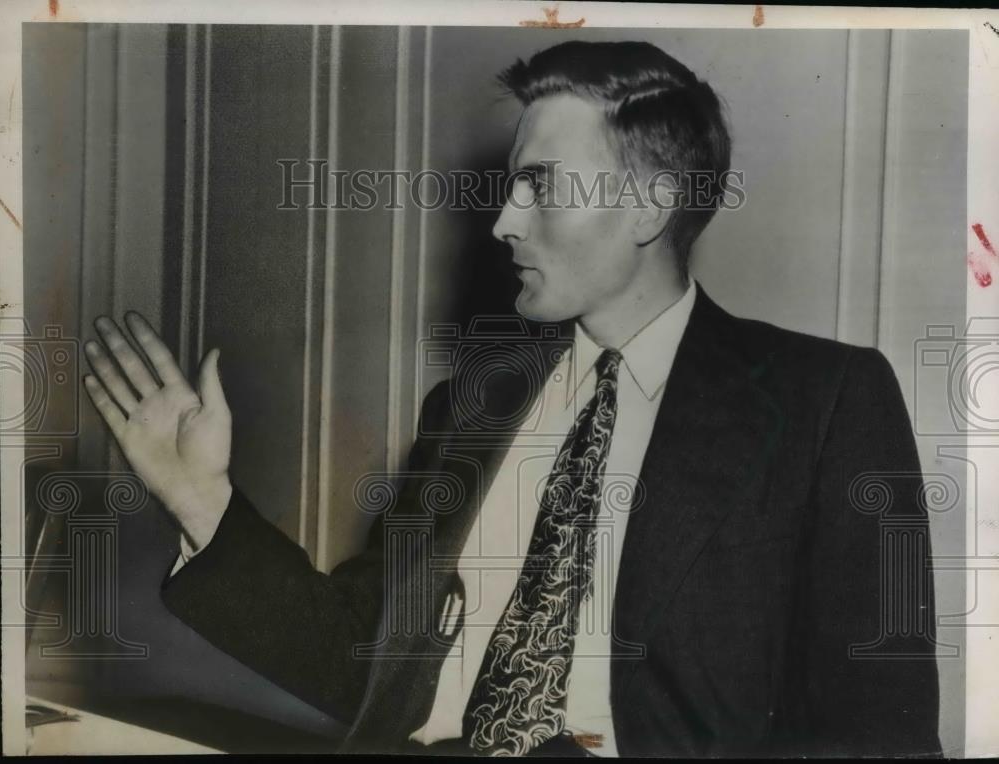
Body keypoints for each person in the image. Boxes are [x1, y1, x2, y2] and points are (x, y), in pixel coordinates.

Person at [83, 41, 941, 757]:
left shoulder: (822, 403)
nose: (503, 221)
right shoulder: (471, 407)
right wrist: (200, 497)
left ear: (648, 204)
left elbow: (878, 732)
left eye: (541, 184)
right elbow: (363, 666)